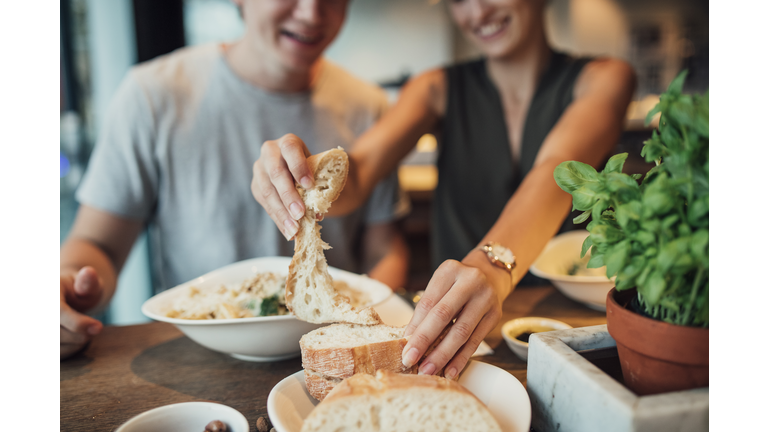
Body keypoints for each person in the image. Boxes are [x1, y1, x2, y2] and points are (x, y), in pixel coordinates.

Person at [251, 0, 636, 380]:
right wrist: (301, 173)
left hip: (572, 325)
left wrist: (489, 268)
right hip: (450, 328)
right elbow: (362, 170)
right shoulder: (434, 86)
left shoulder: (606, 77)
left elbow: (557, 169)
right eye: (458, 0)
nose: (477, 12)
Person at [60, 0, 411, 359]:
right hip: (198, 359)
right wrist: (67, 282)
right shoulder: (151, 95)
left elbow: (384, 249)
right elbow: (96, 244)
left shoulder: (368, 105)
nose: (311, 13)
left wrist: (370, 319)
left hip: (331, 354)